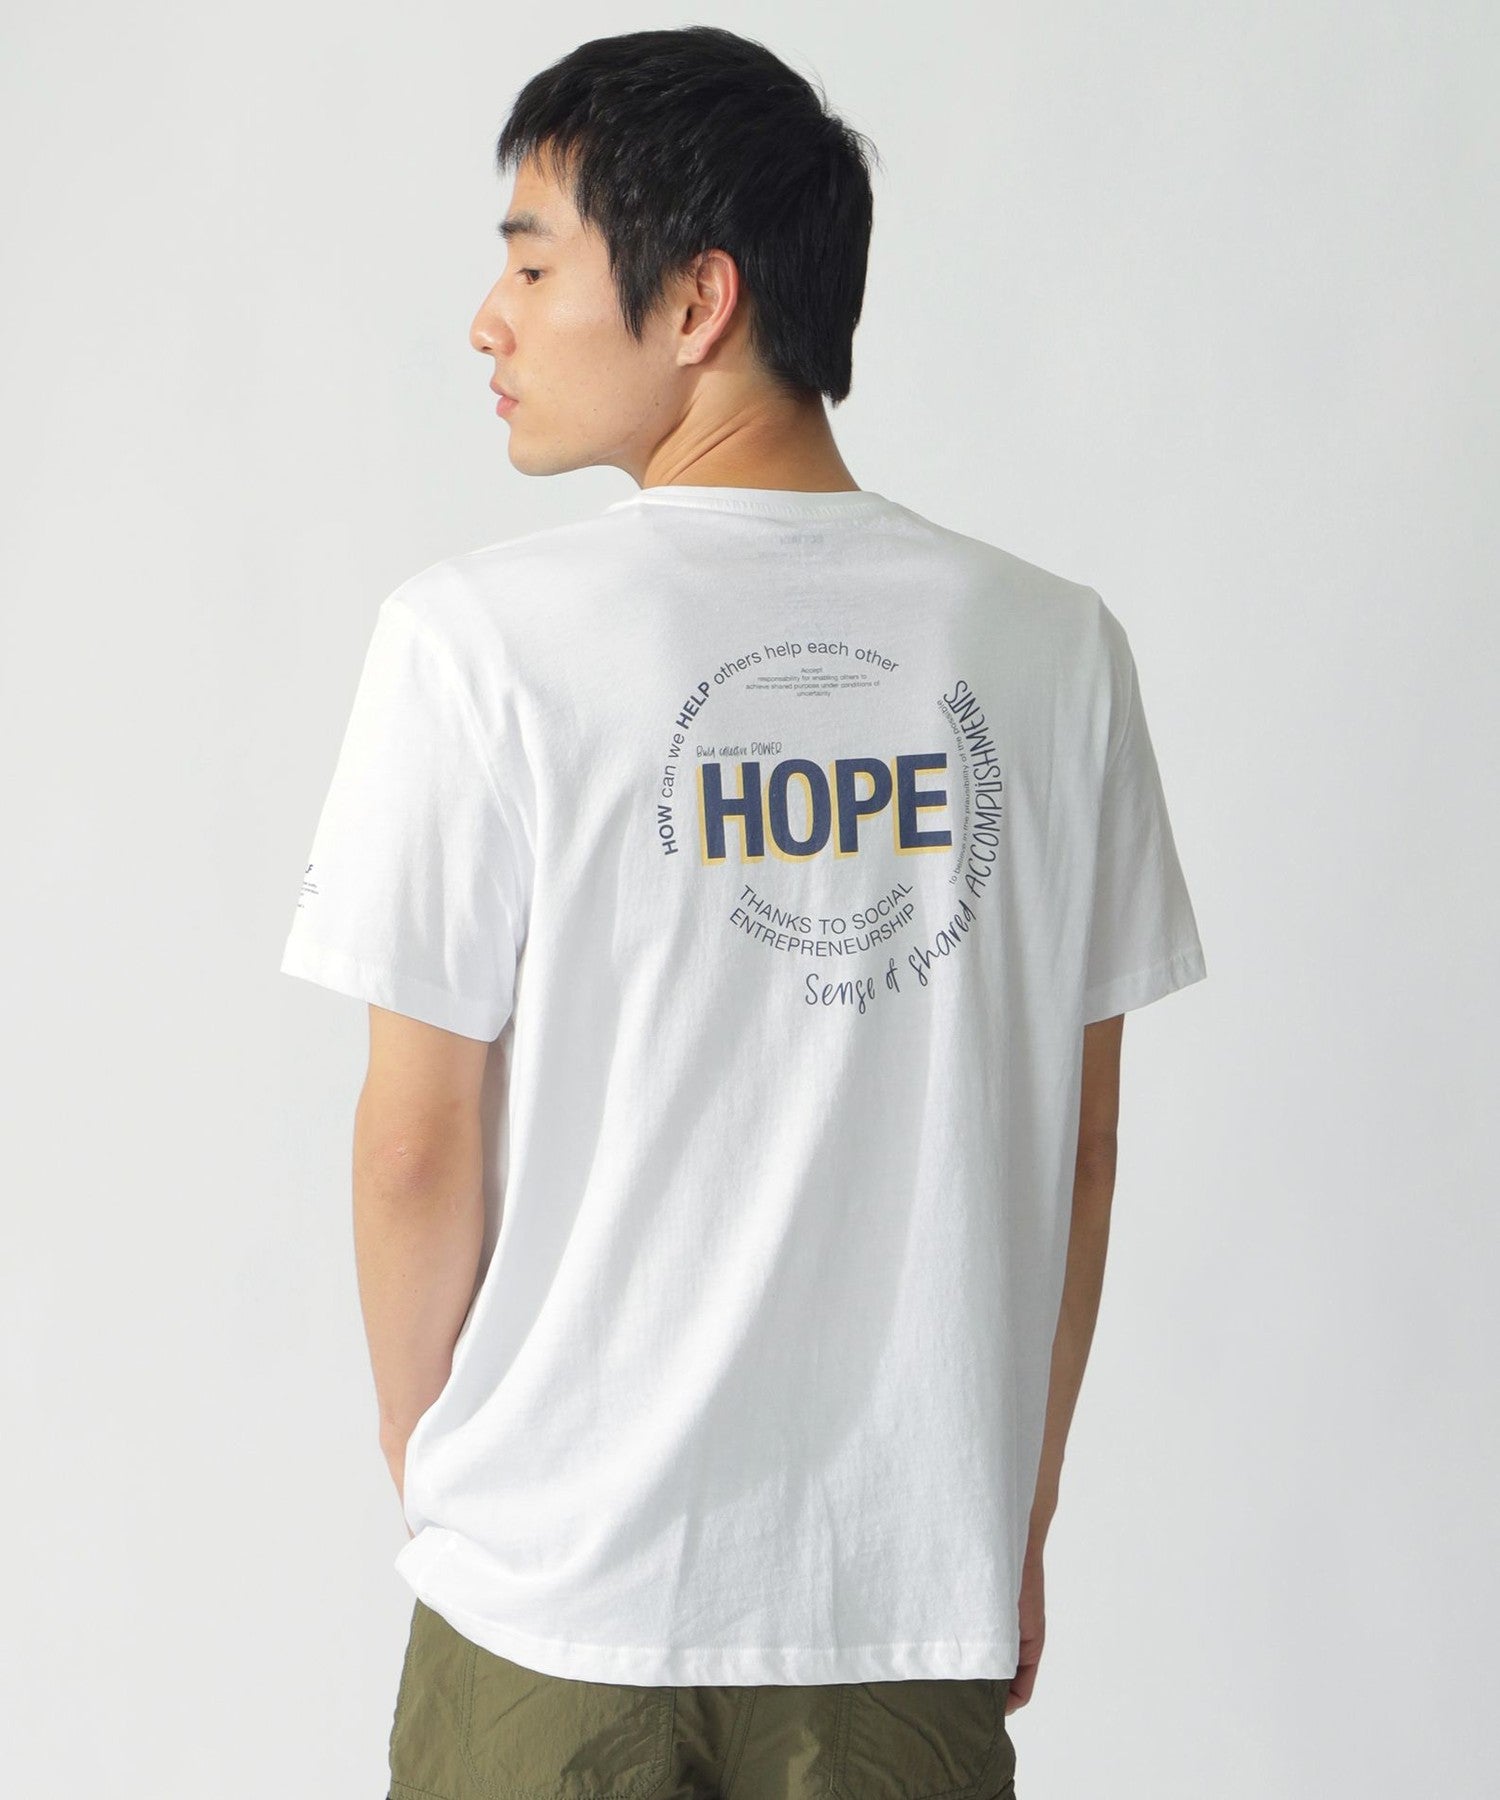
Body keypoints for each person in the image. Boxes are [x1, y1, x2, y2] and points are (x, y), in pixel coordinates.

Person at [279, 24, 1207, 1800]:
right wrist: (1012, 1514)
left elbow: (417, 1141)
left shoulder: (477, 646)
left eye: (531, 261)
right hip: (899, 1608)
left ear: (698, 299)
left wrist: (436, 1468)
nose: (487, 320)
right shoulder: (1055, 651)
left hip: (560, 1601)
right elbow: (1080, 1151)